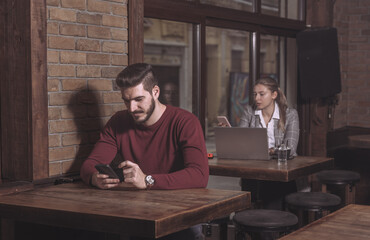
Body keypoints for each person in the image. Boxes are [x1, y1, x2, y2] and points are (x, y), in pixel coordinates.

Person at [80, 63, 208, 240]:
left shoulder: (185, 122)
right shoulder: (118, 121)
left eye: (138, 99)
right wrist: (95, 178)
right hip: (138, 215)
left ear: (155, 92)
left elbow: (199, 175)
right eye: (126, 100)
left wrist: (148, 180)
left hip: (181, 217)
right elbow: (89, 165)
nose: (131, 108)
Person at [238, 77, 300, 210]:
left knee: (271, 192)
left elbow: (291, 149)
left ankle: (270, 225)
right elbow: (241, 141)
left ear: (274, 95)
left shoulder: (290, 115)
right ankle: (249, 225)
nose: (257, 99)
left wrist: (270, 151)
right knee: (249, 185)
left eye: (261, 94)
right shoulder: (249, 112)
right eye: (255, 94)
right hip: (253, 171)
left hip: (279, 173)